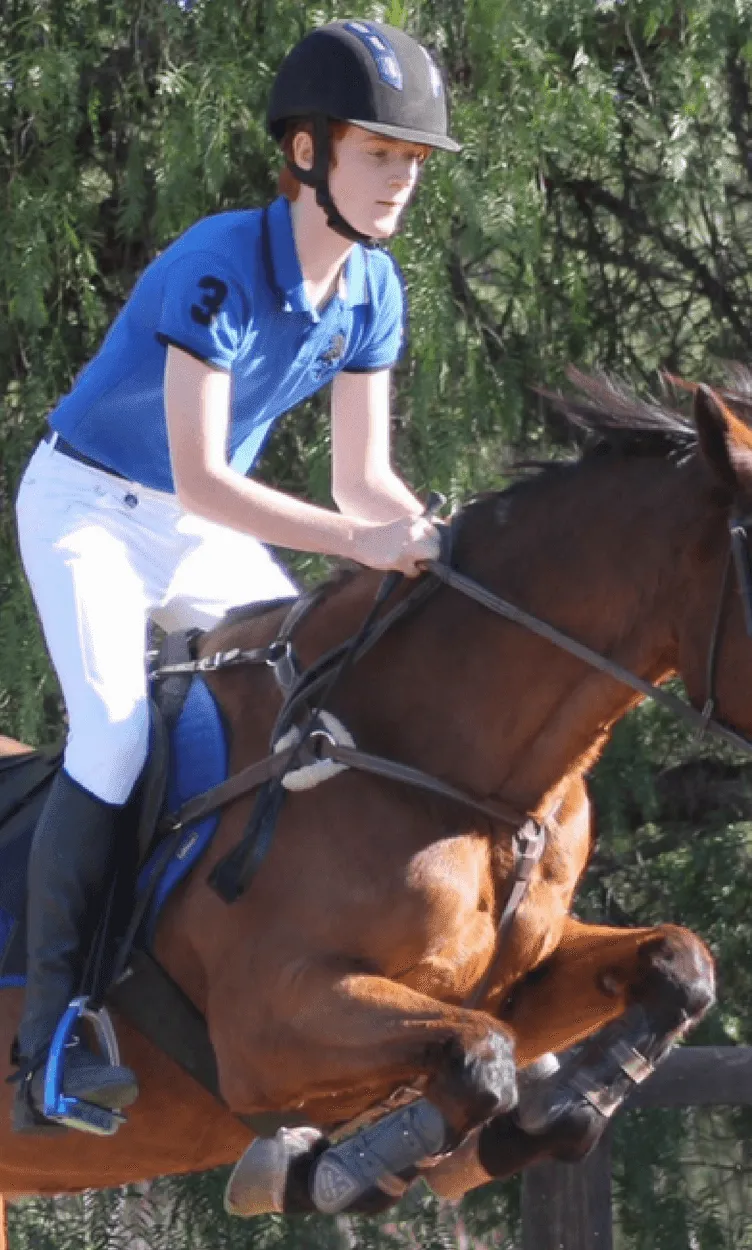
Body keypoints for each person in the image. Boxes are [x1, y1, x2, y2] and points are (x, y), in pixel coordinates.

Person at [11, 18, 459, 1134]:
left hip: (187, 526)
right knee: (113, 735)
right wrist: (358, 544)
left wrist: (443, 542)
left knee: (309, 684)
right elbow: (207, 478)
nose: (400, 180)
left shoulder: (373, 291)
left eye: (410, 161)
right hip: (87, 512)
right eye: (378, 154)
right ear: (306, 153)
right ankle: (52, 1040)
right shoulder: (218, 263)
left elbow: (366, 479)